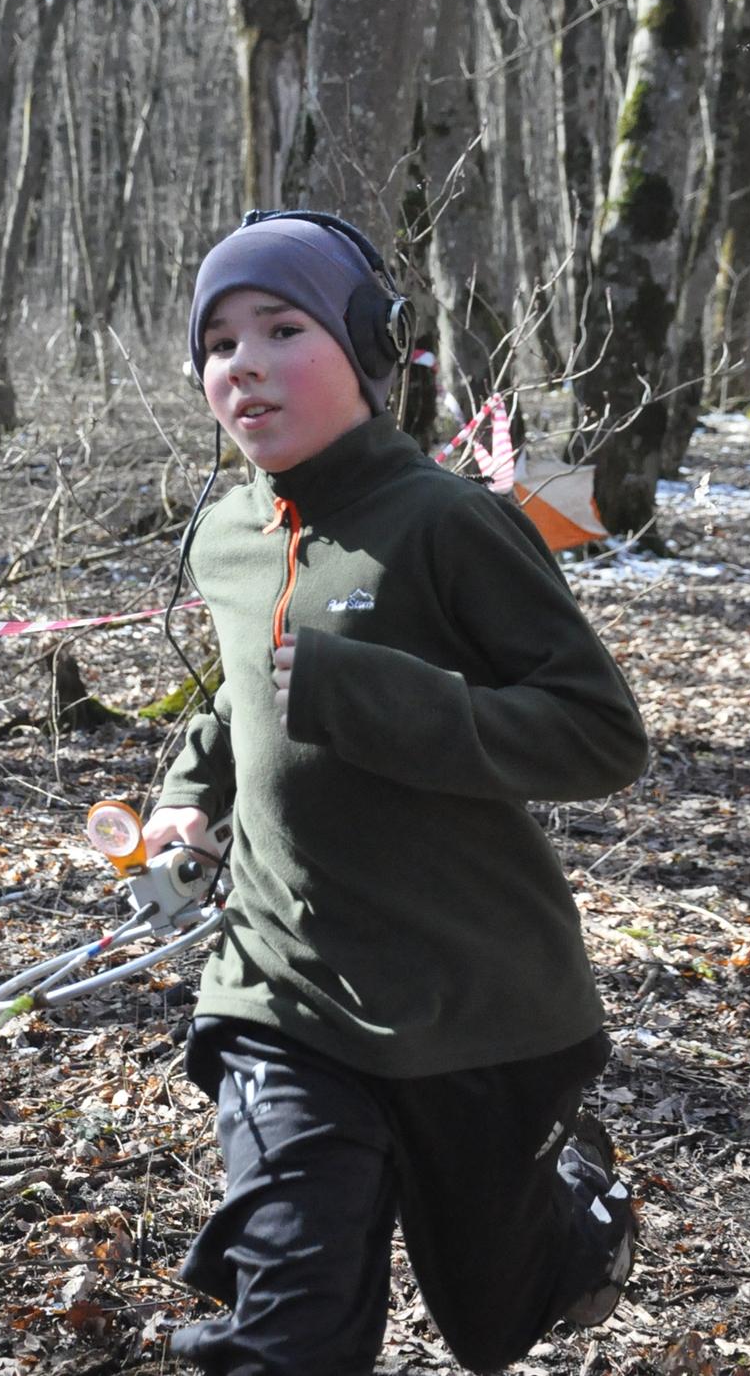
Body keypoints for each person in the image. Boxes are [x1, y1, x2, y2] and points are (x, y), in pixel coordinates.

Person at [143, 210, 648, 1376]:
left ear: (372, 352)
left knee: (505, 1304)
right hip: (282, 996)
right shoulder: (225, 530)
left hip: (470, 999)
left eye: (282, 327)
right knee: (290, 1326)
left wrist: (372, 695)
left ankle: (580, 1216)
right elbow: (238, 694)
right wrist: (188, 791)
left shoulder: (449, 524)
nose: (244, 364)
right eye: (219, 341)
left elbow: (600, 734)